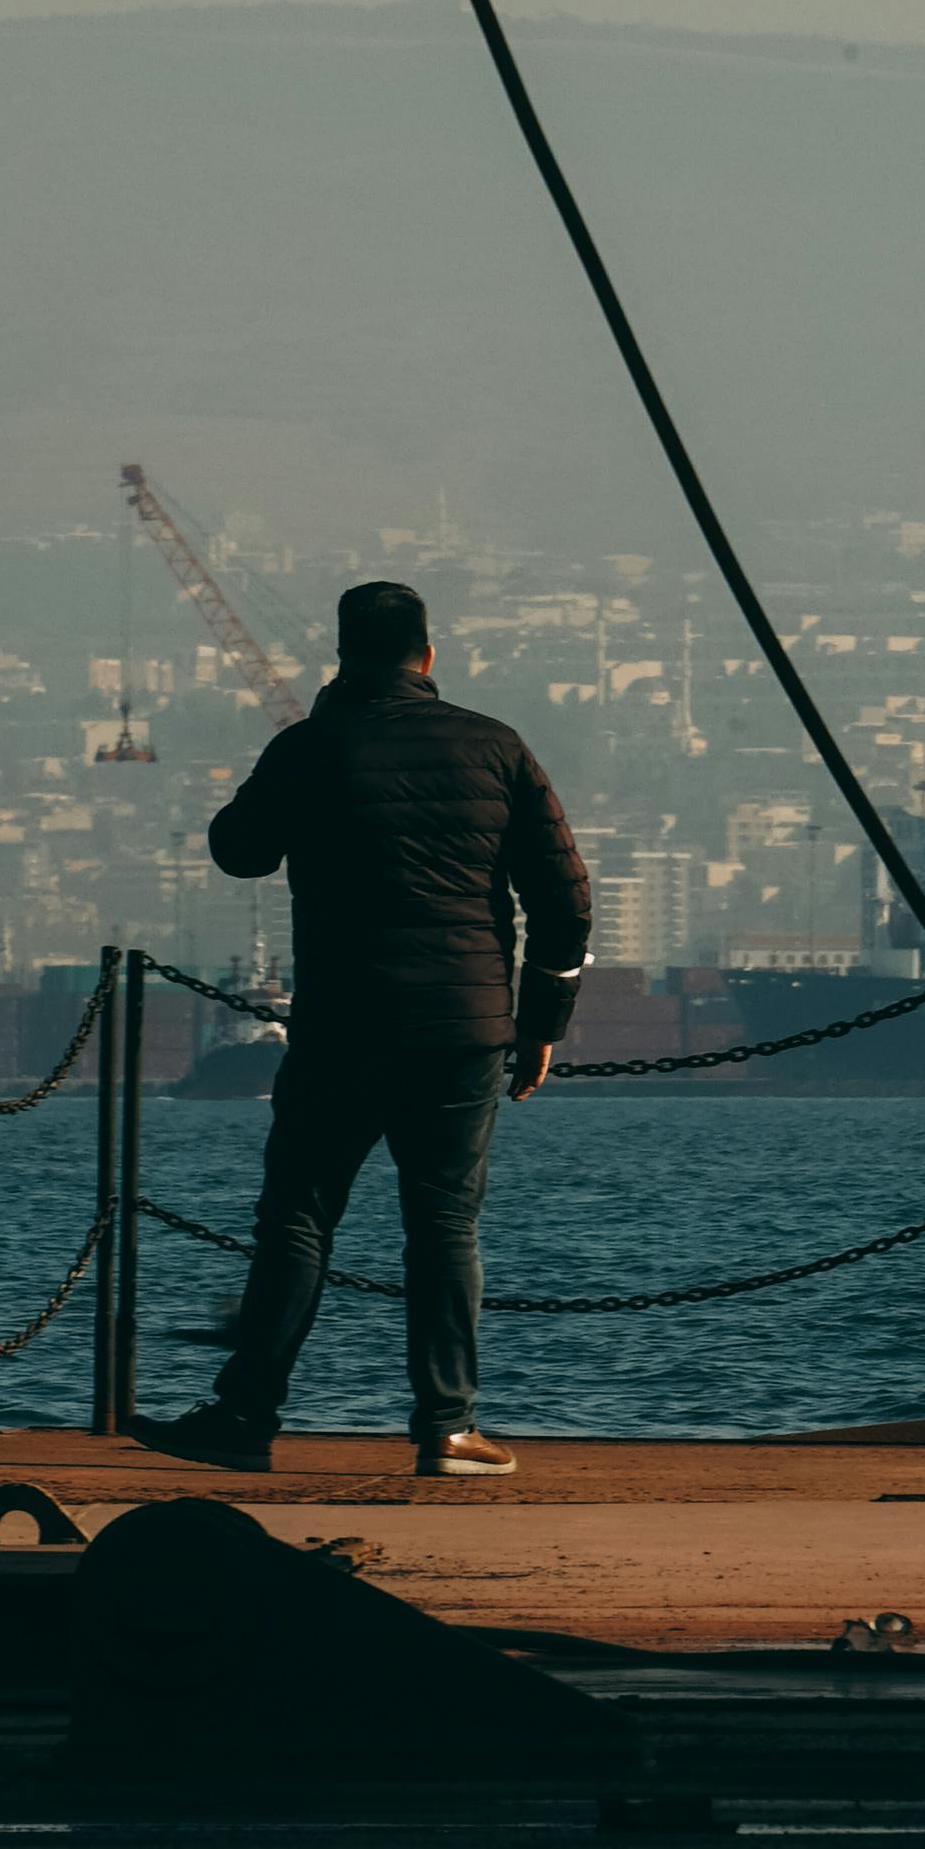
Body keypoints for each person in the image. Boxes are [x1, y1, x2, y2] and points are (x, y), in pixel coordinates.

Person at [134, 580, 590, 1478]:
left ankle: (244, 1416)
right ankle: (448, 1430)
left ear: (342, 657)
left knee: (298, 1218)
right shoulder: (497, 748)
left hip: (341, 1028)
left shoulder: (311, 746)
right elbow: (564, 902)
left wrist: (309, 742)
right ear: (429, 653)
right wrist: (541, 1025)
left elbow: (238, 850)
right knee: (445, 1226)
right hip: (463, 1028)